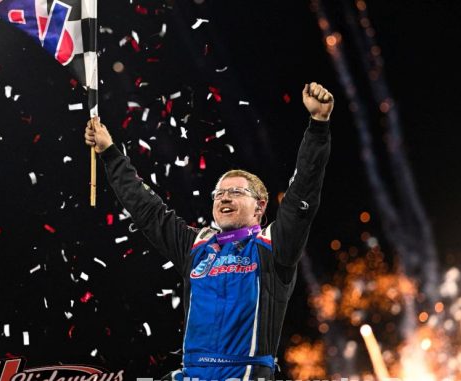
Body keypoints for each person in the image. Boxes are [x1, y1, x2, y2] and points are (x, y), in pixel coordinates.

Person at [85, 82, 333, 381]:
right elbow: (147, 210)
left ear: (260, 206)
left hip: (244, 373)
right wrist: (110, 153)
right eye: (219, 194)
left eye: (236, 192)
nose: (224, 198)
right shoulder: (197, 246)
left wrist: (318, 128)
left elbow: (302, 193)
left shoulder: (274, 245)